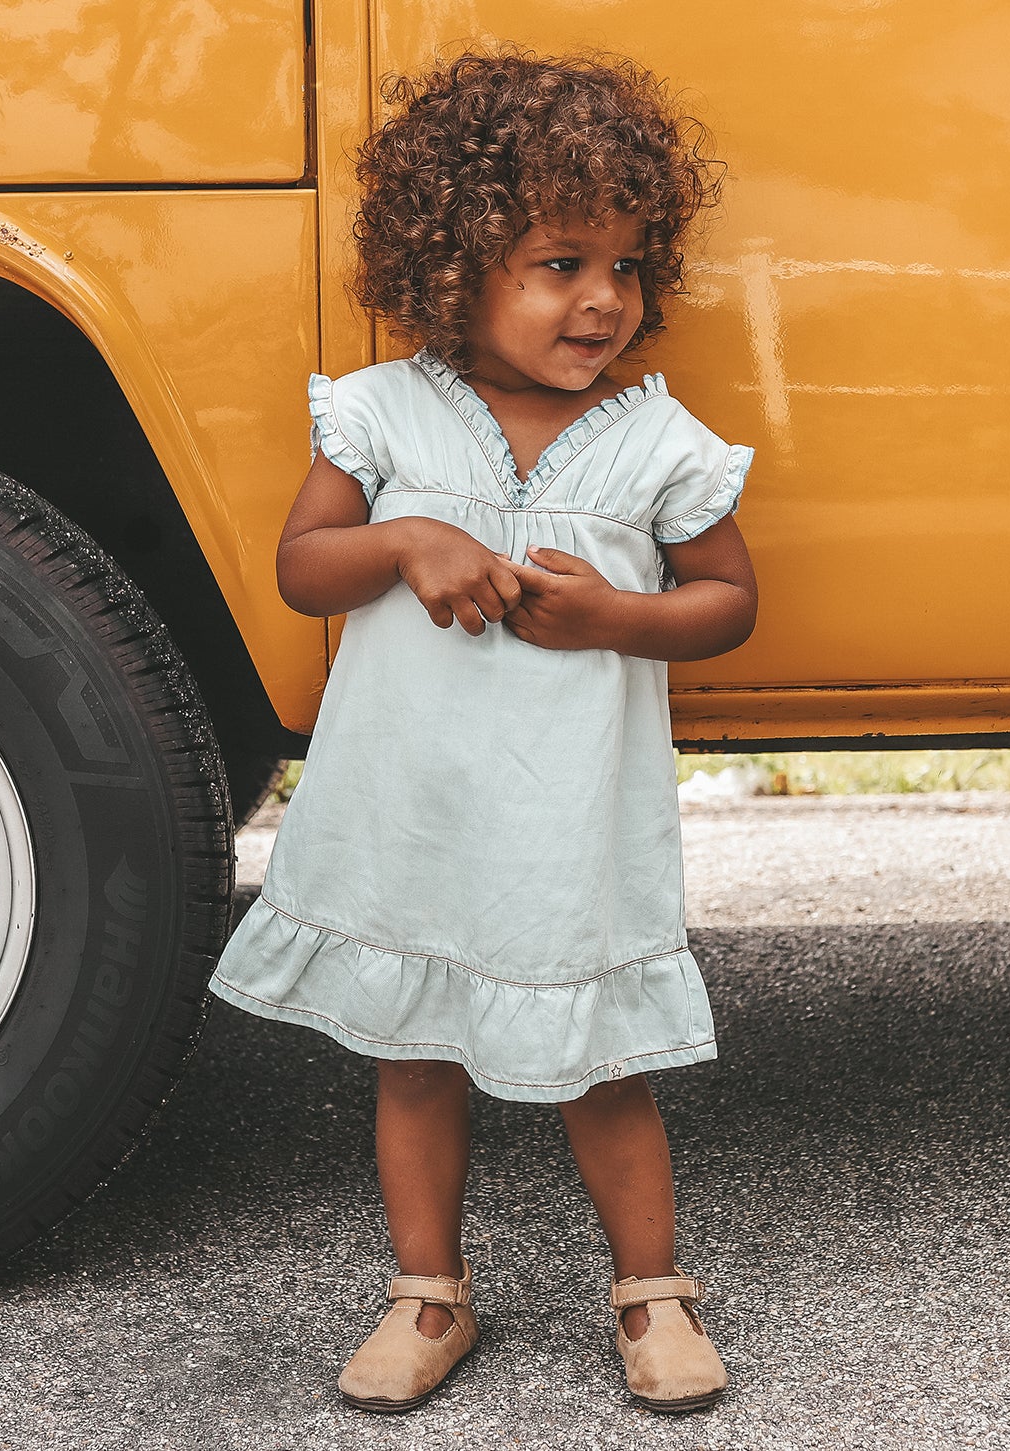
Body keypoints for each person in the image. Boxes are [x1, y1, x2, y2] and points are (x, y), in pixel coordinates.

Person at [209, 49, 757, 1414]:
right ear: (455, 267)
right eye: (561, 265)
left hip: (567, 821)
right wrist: (405, 537)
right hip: (421, 809)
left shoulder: (658, 443)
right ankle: (428, 1293)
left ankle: (651, 1292)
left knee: (601, 1064)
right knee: (415, 1055)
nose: (603, 300)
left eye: (626, 267)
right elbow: (303, 569)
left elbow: (729, 601)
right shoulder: (384, 414)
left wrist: (618, 616)